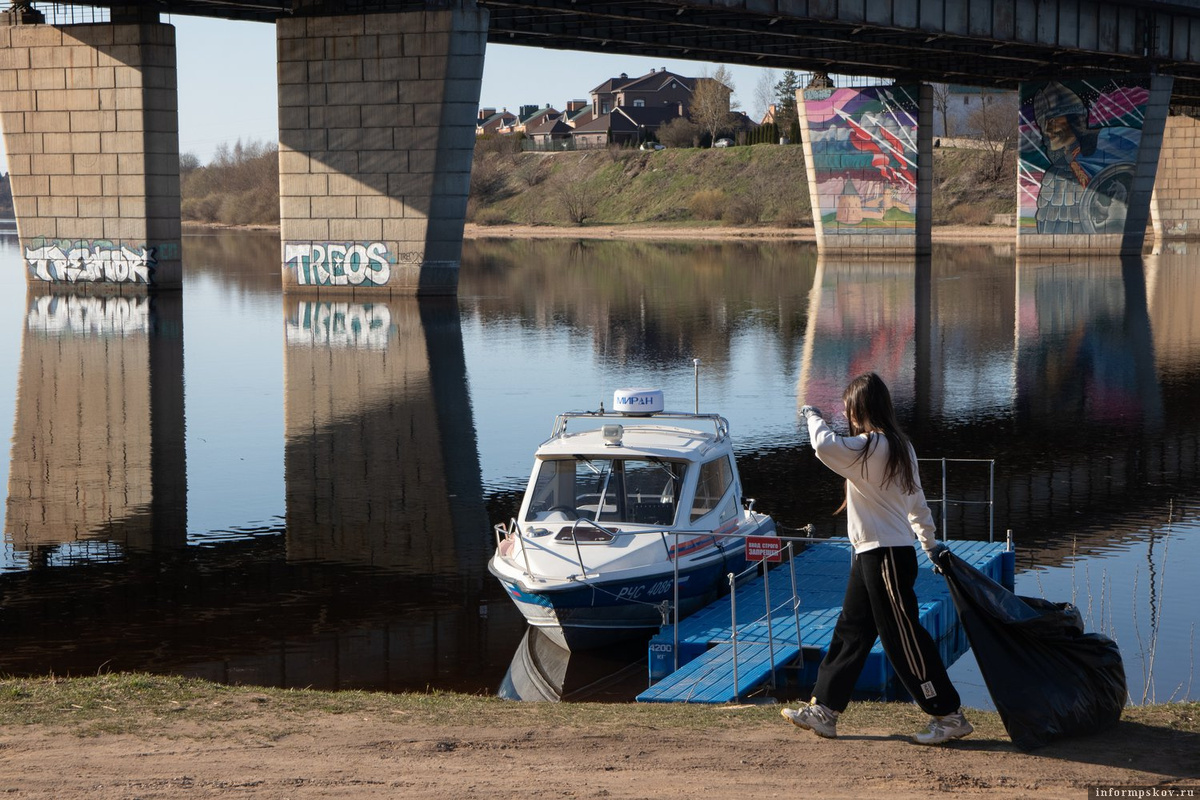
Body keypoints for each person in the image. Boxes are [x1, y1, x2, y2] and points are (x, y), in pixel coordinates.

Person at [781, 372, 972, 746]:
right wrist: (928, 542)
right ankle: (825, 711)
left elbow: (823, 445)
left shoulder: (871, 447)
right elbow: (917, 501)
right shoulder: (900, 446)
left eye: (849, 409)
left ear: (859, 409)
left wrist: (812, 414)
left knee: (903, 638)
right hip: (874, 553)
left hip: (884, 556)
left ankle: (948, 715)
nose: (848, 417)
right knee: (852, 630)